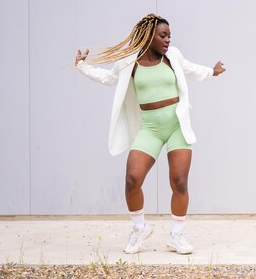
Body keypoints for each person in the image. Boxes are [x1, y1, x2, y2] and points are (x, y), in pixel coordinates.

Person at [74, 13, 225, 255]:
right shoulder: (129, 62)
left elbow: (189, 69)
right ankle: (140, 228)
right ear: (148, 36)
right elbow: (107, 78)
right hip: (150, 129)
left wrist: (212, 71)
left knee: (179, 182)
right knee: (132, 180)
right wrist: (82, 65)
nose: (168, 40)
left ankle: (176, 235)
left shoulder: (172, 56)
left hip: (176, 125)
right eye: (163, 35)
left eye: (169, 36)